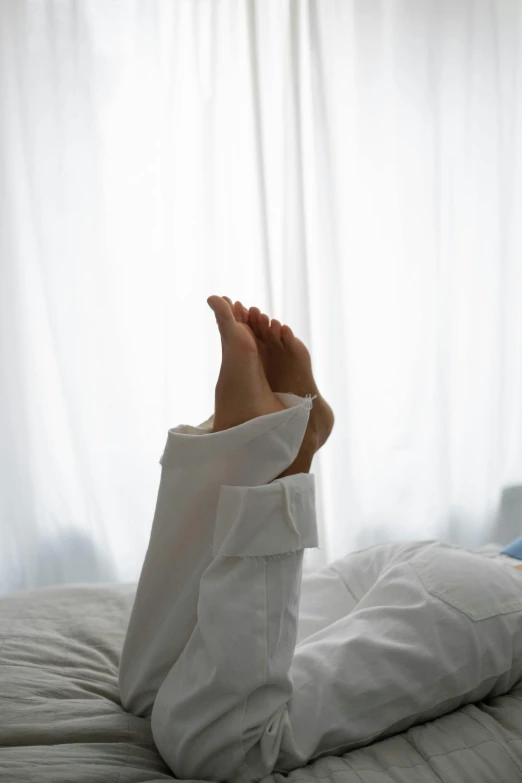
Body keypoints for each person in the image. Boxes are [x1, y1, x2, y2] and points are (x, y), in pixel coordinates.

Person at [118, 296, 522, 783]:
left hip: (435, 564)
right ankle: (283, 459)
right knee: (224, 741)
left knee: (151, 689)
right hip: (489, 593)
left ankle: (269, 434)